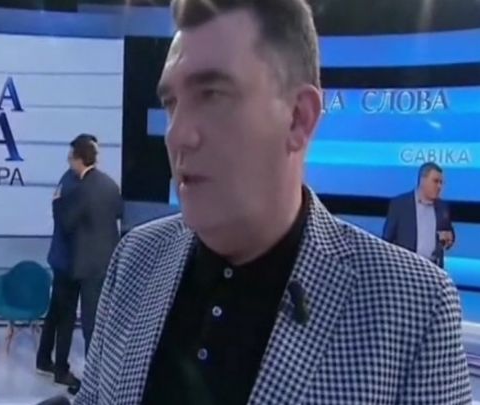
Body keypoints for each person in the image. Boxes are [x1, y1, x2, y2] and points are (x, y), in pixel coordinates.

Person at [75, 1, 471, 404]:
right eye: (171, 103)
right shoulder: (134, 260)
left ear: (299, 118)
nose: (177, 135)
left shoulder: (416, 308)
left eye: (211, 94)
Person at [35, 134, 97, 390]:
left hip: (61, 259)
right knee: (66, 316)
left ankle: (43, 359)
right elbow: (70, 225)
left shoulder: (67, 180)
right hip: (70, 262)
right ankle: (61, 370)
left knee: (56, 311)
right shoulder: (76, 185)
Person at [56, 134, 123, 358]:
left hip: (87, 267)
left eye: (70, 158)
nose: (69, 163)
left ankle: (93, 373)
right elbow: (119, 213)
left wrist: (58, 204)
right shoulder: (110, 184)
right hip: (108, 262)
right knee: (102, 320)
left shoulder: (82, 189)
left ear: (78, 159)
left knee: (90, 323)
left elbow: (67, 223)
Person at [383, 162, 454, 267]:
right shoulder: (400, 204)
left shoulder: (442, 207)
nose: (439, 186)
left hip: (433, 268)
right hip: (406, 267)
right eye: (435, 181)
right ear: (422, 180)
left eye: (441, 183)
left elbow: (449, 234)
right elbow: (386, 240)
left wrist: (449, 239)